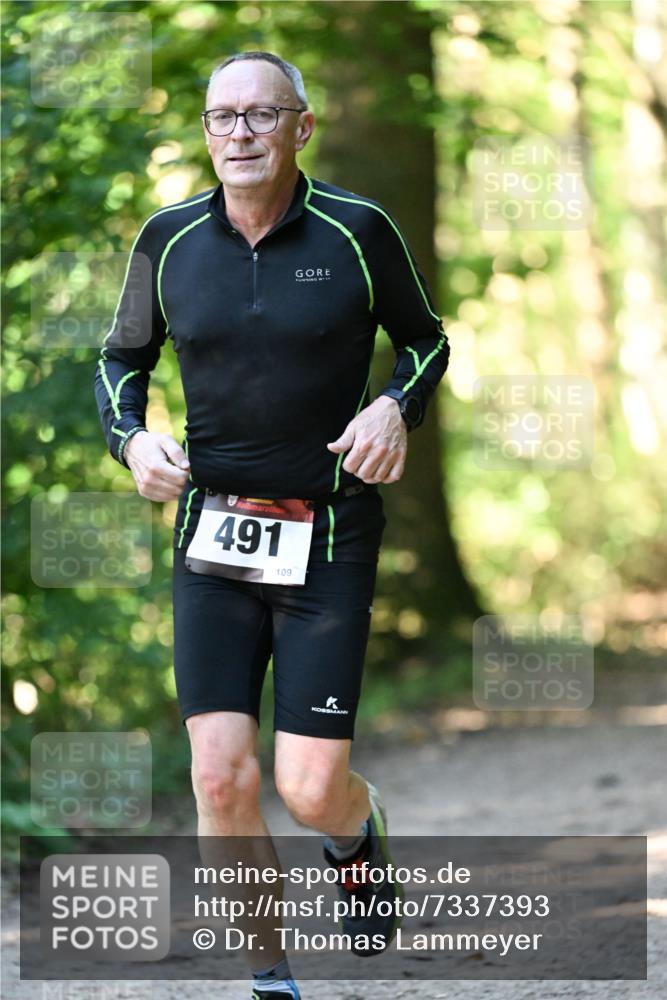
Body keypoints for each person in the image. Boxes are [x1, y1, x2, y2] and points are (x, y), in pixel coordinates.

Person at [95, 50, 449, 1000]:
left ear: (302, 125)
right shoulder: (167, 241)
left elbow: (426, 338)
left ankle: (354, 836)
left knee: (306, 789)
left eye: (261, 114)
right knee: (219, 775)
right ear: (205, 131)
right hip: (212, 536)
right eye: (222, 117)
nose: (240, 133)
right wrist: (132, 442)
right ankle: (268, 979)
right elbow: (119, 361)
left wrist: (392, 409)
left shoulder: (357, 229)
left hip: (328, 538)